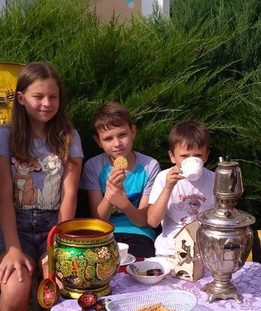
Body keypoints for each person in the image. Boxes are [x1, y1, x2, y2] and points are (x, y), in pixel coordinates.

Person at [0, 62, 83, 311]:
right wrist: (13, 248)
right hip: (15, 225)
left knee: (55, 284)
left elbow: (69, 194)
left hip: (54, 226)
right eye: (38, 96)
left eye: (53, 97)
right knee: (15, 288)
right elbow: (3, 196)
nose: (46, 103)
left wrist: (58, 245)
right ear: (21, 98)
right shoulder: (4, 137)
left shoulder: (69, 137)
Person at [80, 102, 161, 259]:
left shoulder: (150, 166)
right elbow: (99, 219)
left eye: (122, 135)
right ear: (98, 142)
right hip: (103, 233)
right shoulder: (94, 166)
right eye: (108, 139)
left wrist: (123, 202)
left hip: (139, 233)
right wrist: (110, 193)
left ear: (133, 131)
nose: (117, 143)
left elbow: (143, 221)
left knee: (138, 265)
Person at [147, 120, 216, 257]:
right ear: (172, 157)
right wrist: (168, 188)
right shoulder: (163, 178)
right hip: (170, 250)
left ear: (206, 156)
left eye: (198, 156)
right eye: (184, 156)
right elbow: (153, 221)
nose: (191, 160)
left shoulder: (214, 179)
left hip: (205, 251)